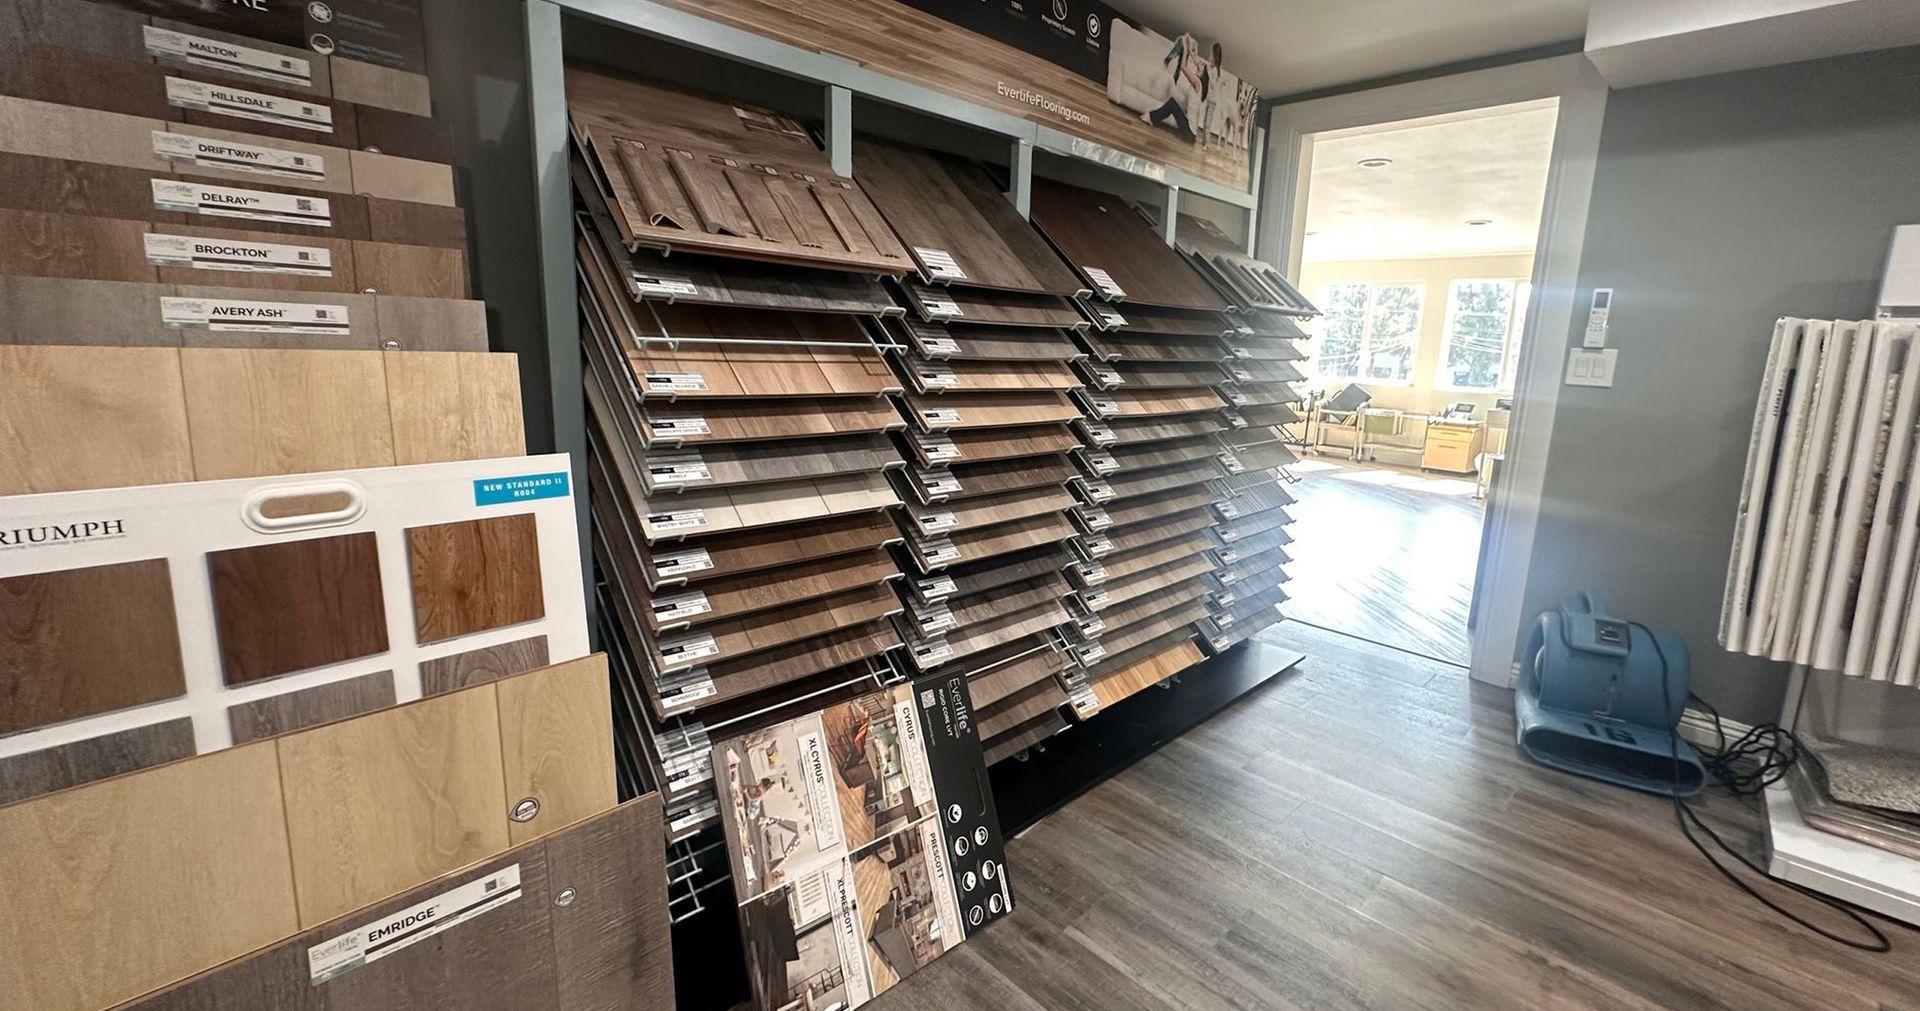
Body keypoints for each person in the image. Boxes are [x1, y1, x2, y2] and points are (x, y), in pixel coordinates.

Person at [1141, 33, 1200, 142]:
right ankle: (1152, 118)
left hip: (1189, 134)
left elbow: (1183, 67)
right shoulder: (1196, 87)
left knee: (1172, 104)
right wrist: (1188, 52)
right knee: (1173, 104)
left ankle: (1151, 117)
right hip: (1191, 133)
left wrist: (1187, 48)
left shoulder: (1197, 83)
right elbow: (1187, 66)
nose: (1197, 67)